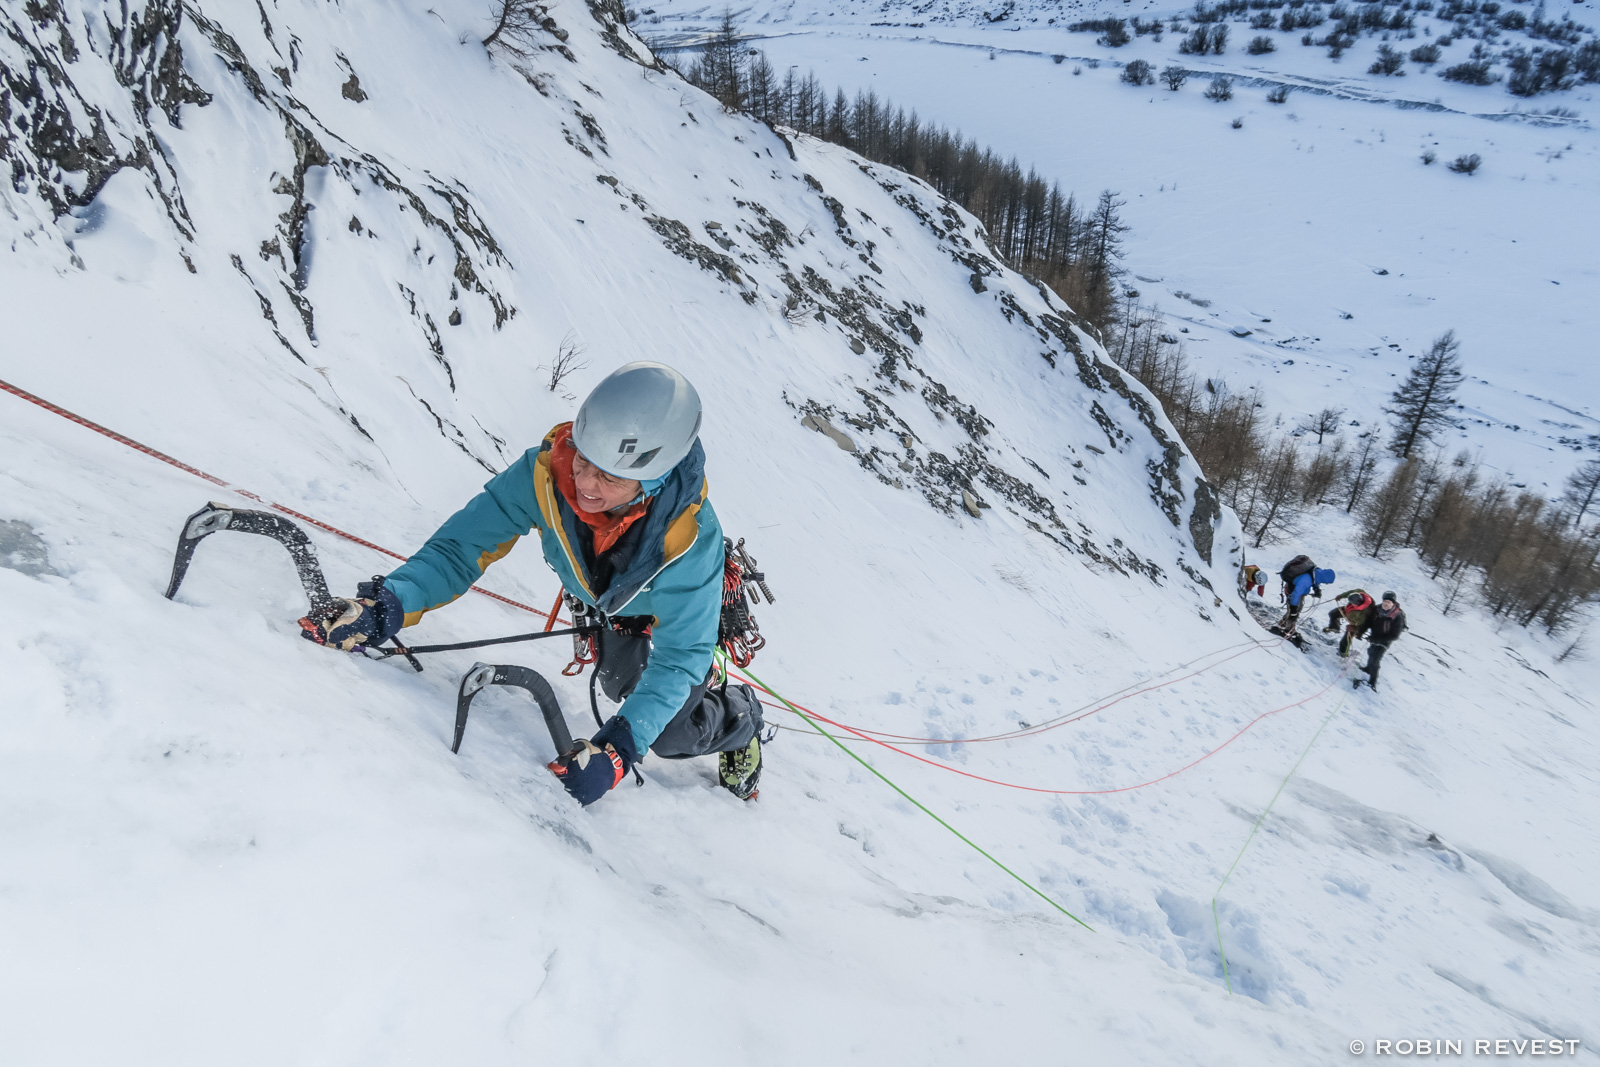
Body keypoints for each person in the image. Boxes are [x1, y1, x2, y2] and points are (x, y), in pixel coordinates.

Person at [301, 362, 766, 804]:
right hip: (612, 603)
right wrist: (389, 605)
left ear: (654, 479)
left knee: (666, 735)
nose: (584, 483)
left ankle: (740, 718)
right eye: (584, 461)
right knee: (620, 686)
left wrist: (620, 750)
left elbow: (682, 659)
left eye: (609, 477)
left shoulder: (690, 544)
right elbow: (461, 548)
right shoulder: (545, 475)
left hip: (654, 610)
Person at [1271, 554, 1335, 645]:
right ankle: (1287, 629)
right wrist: (1293, 608)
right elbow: (1296, 594)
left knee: (1297, 609)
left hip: (1298, 593)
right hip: (1292, 593)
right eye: (1326, 582)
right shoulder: (1306, 580)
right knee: (1294, 612)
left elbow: (1315, 579)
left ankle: (1284, 625)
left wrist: (1316, 589)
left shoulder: (1316, 572)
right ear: (1325, 578)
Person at [1356, 591, 1407, 690]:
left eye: (1389, 602)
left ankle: (1372, 682)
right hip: (1374, 636)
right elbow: (1368, 622)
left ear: (1393, 603)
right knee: (1371, 652)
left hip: (1385, 640)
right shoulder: (1376, 609)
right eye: (1385, 601)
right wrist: (1360, 632)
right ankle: (1367, 668)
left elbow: (1394, 635)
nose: (1386, 604)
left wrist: (1377, 640)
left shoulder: (1397, 615)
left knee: (1376, 659)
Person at [1323, 588, 1376, 657]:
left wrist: (1354, 627)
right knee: (1333, 613)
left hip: (1356, 623)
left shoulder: (1367, 611)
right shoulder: (1360, 593)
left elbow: (1363, 623)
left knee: (1346, 640)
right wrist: (1341, 596)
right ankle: (1334, 627)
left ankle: (1343, 654)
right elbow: (1350, 592)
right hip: (1349, 610)